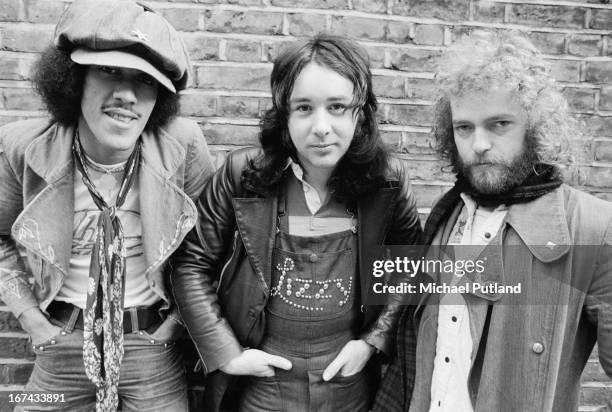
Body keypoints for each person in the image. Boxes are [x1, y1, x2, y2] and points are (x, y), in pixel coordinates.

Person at [170, 34, 423, 412]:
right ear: (284, 113)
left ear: (361, 112)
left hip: (347, 383)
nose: (321, 126)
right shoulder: (243, 175)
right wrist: (227, 353)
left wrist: (372, 342)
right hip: (263, 386)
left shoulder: (385, 181)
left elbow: (414, 262)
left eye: (337, 107)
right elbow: (191, 264)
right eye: (304, 108)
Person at [373, 30, 612, 412]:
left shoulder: (594, 228)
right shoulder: (447, 213)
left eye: (499, 124)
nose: (479, 143)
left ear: (535, 125)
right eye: (464, 127)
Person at [0, 0, 214, 410]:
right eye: (109, 70)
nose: (127, 95)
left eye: (145, 81)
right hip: (58, 348)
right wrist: (30, 317)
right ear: (73, 77)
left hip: (152, 351)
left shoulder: (182, 146)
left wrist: (174, 324)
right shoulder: (22, 149)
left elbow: (207, 246)